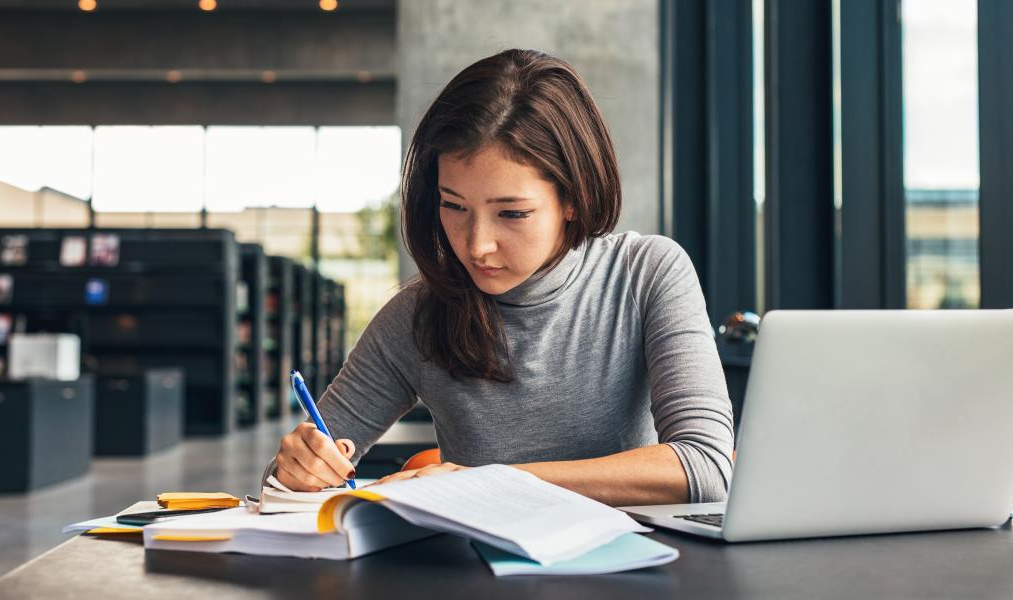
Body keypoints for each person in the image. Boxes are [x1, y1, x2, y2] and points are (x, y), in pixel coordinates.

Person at [266, 48, 733, 507]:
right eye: (454, 206)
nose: (476, 245)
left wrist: (489, 483)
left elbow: (706, 467)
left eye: (511, 212)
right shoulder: (417, 314)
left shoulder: (645, 273)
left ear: (573, 198)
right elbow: (280, 486)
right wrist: (297, 469)